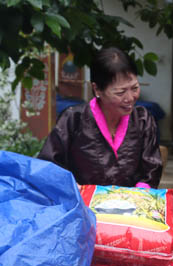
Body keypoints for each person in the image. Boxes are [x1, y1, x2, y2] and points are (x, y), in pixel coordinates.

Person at [39, 47, 162, 188]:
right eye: (120, 92)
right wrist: (72, 187)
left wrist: (138, 194)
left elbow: (152, 169)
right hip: (83, 206)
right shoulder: (73, 119)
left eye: (134, 88)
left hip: (133, 205)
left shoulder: (143, 120)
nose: (130, 98)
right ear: (97, 89)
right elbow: (49, 165)